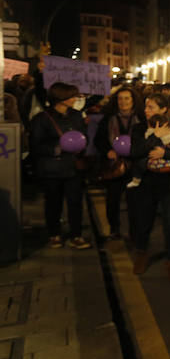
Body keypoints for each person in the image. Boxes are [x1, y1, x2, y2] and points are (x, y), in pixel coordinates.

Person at [130, 93, 170, 284]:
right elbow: (135, 152)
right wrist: (154, 137)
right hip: (147, 182)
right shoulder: (139, 128)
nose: (146, 111)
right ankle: (141, 253)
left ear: (163, 109)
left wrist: (166, 154)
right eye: (146, 107)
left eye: (151, 107)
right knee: (143, 222)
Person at [28, 82, 91, 249]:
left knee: (75, 202)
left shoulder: (76, 115)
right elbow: (35, 146)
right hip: (52, 169)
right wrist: (57, 148)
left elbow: (83, 136)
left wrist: (81, 146)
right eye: (72, 96)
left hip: (73, 167)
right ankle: (54, 234)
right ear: (61, 98)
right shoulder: (42, 119)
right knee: (53, 202)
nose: (75, 99)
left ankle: (76, 235)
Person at [95, 86, 145, 240]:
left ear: (133, 100)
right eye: (120, 99)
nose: (123, 102)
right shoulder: (108, 119)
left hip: (134, 165)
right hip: (114, 165)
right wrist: (107, 151)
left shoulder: (141, 119)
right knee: (112, 200)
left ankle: (134, 231)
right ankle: (114, 228)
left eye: (127, 98)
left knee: (134, 201)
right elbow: (99, 140)